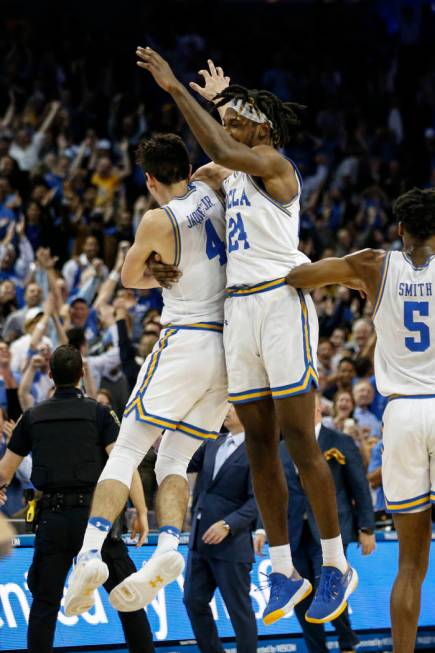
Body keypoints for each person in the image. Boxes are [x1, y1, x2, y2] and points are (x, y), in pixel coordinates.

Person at [136, 48, 356, 624]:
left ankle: (334, 561)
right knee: (258, 444)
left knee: (299, 441)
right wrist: (161, 261)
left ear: (263, 127)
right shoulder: (228, 173)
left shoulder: (274, 164)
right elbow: (190, 185)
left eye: (238, 119)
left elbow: (223, 149)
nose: (228, 128)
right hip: (238, 311)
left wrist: (179, 92)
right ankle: (283, 569)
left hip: (280, 302)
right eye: (226, 120)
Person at [64, 133, 228, 616]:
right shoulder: (212, 190)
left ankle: (90, 553)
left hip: (187, 337)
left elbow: (129, 279)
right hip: (229, 348)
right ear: (188, 165)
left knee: (131, 447)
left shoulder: (158, 218)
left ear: (150, 179)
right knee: (174, 459)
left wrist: (159, 270)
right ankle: (167, 548)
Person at [286, 187, 435, 653]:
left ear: (399, 229)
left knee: (410, 564)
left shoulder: (374, 263)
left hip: (404, 414)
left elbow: (299, 276)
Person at [0, 345, 154, 653]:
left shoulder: (32, 417)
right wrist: (141, 511)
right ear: (82, 373)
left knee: (44, 605)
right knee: (127, 598)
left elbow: (5, 471)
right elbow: (124, 465)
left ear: (50, 375)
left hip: (53, 519)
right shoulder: (99, 413)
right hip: (97, 518)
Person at [255, 394, 375, 653]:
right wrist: (263, 528)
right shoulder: (282, 447)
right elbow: (271, 492)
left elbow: (360, 486)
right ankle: (316, 649)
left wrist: (367, 527)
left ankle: (347, 642)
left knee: (330, 588)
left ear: (318, 408)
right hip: (295, 531)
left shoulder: (340, 442)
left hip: (330, 530)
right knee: (301, 596)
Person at [184, 406, 258, 653]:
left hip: (231, 546)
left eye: (233, 407)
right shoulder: (212, 443)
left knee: (239, 611)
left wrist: (229, 524)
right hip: (199, 541)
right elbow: (182, 460)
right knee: (193, 601)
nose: (226, 411)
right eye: (224, 406)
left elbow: (258, 500)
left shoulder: (258, 450)